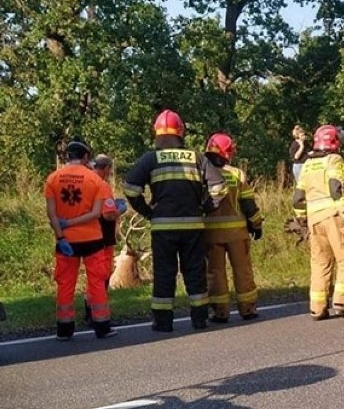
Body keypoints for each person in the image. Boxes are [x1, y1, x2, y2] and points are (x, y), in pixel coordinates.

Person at [124, 110, 226, 332]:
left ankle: (163, 322)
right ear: (181, 132)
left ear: (157, 133)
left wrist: (148, 211)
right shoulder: (197, 157)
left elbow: (130, 189)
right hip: (193, 226)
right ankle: (200, 319)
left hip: (163, 227)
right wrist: (206, 208)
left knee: (164, 273)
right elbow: (219, 188)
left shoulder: (149, 159)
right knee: (195, 271)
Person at [44, 138, 115, 340]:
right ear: (85, 157)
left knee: (65, 283)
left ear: (68, 156)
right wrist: (74, 222)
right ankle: (102, 327)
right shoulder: (95, 180)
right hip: (92, 239)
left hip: (66, 241)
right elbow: (96, 213)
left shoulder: (53, 179)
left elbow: (51, 213)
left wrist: (61, 234)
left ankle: (64, 329)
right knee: (96, 282)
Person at [293, 124, 344, 321]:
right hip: (334, 216)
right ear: (334, 142)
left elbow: (297, 198)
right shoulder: (334, 159)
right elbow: (336, 188)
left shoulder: (307, 163)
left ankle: (317, 307)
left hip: (315, 220)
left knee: (320, 263)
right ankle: (342, 301)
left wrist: (302, 220)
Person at [203, 133, 264, 323]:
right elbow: (248, 204)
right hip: (238, 233)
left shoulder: (202, 173)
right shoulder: (237, 173)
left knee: (215, 272)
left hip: (211, 233)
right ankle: (248, 309)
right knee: (243, 270)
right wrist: (256, 224)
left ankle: (220, 311)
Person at [84, 154, 126, 326]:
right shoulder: (102, 186)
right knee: (102, 275)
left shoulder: (84, 182)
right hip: (103, 236)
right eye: (109, 169)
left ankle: (89, 310)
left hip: (86, 235)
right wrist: (120, 209)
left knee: (92, 275)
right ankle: (98, 315)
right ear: (107, 168)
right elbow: (108, 215)